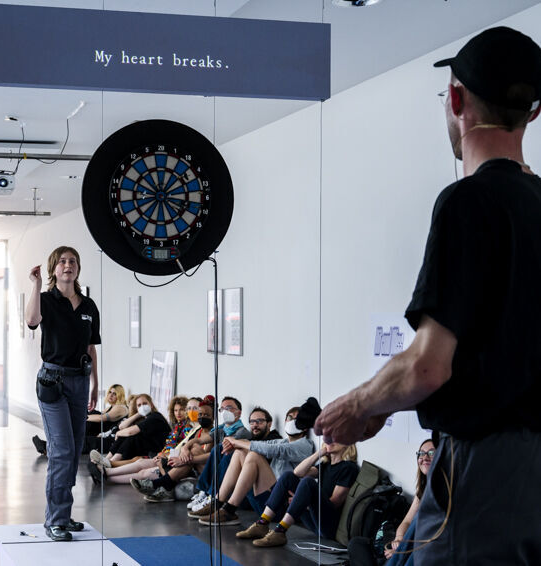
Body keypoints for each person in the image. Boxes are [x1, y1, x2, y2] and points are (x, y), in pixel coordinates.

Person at [314, 27, 541, 565]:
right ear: (532, 113)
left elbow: (426, 367)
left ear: (456, 100)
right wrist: (383, 402)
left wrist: (357, 405)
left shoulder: (468, 201)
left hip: (484, 472)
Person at [24, 246, 100, 542]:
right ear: (54, 269)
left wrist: (95, 384)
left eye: (73, 261)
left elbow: (91, 348)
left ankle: (64, 516)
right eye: (63, 261)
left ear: (78, 268)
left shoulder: (88, 305)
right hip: (52, 381)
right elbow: (32, 321)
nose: (68, 265)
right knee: (62, 450)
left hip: (80, 382)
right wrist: (35, 285)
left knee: (75, 449)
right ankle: (55, 520)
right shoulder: (46, 299)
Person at [197, 406, 314, 528]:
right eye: (290, 418)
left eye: (297, 419)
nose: (292, 421)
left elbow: (274, 450)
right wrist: (235, 444)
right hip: (268, 499)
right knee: (240, 452)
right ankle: (217, 503)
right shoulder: (283, 441)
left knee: (254, 455)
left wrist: (235, 441)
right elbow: (261, 444)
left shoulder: (305, 445)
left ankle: (229, 510)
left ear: (305, 426)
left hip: (281, 507)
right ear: (285, 421)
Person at [251, 443, 359, 548]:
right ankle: (262, 523)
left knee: (308, 482)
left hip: (329, 527)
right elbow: (297, 472)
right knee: (288, 476)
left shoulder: (349, 468)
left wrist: (303, 503)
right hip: (315, 521)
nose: (330, 440)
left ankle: (280, 531)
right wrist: (318, 454)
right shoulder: (325, 465)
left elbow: (334, 503)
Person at [94, 396, 195, 492]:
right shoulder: (178, 426)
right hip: (163, 455)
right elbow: (122, 427)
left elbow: (180, 449)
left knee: (141, 469)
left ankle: (107, 471)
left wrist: (164, 455)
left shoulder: (184, 427)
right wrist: (138, 414)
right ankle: (106, 469)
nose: (178, 413)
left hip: (166, 457)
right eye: (175, 410)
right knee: (139, 461)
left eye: (181, 410)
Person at [32, 383, 129, 456]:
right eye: (110, 392)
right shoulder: (110, 407)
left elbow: (101, 418)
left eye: (114, 394)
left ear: (120, 395)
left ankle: (48, 448)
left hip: (108, 437)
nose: (111, 395)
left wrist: (83, 417)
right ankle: (48, 446)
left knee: (80, 439)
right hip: (99, 432)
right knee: (76, 435)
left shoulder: (121, 408)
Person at [89, 393, 170, 467]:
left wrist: (118, 433)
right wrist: (139, 413)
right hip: (149, 447)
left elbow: (131, 432)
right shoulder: (145, 418)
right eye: (139, 405)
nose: (142, 407)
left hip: (158, 450)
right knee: (124, 434)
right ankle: (107, 459)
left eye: (145, 404)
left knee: (131, 436)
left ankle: (111, 462)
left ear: (151, 405)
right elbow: (122, 427)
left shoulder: (155, 416)